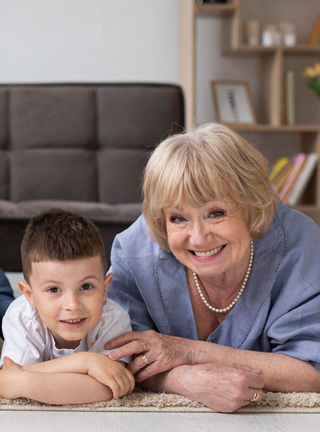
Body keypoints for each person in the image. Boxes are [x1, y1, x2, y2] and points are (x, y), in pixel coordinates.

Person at [105, 123, 320, 413]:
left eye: (216, 213)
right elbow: (119, 357)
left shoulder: (298, 243)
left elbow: (311, 371)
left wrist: (190, 352)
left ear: (250, 205)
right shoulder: (134, 251)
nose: (198, 237)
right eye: (178, 218)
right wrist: (182, 380)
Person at [0, 209, 134, 404]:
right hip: (17, 310)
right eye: (54, 289)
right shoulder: (21, 316)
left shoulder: (114, 319)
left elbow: (108, 387)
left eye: (86, 287)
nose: (72, 305)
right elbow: (7, 376)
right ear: (29, 295)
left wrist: (26, 383)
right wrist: (86, 362)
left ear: (105, 289)